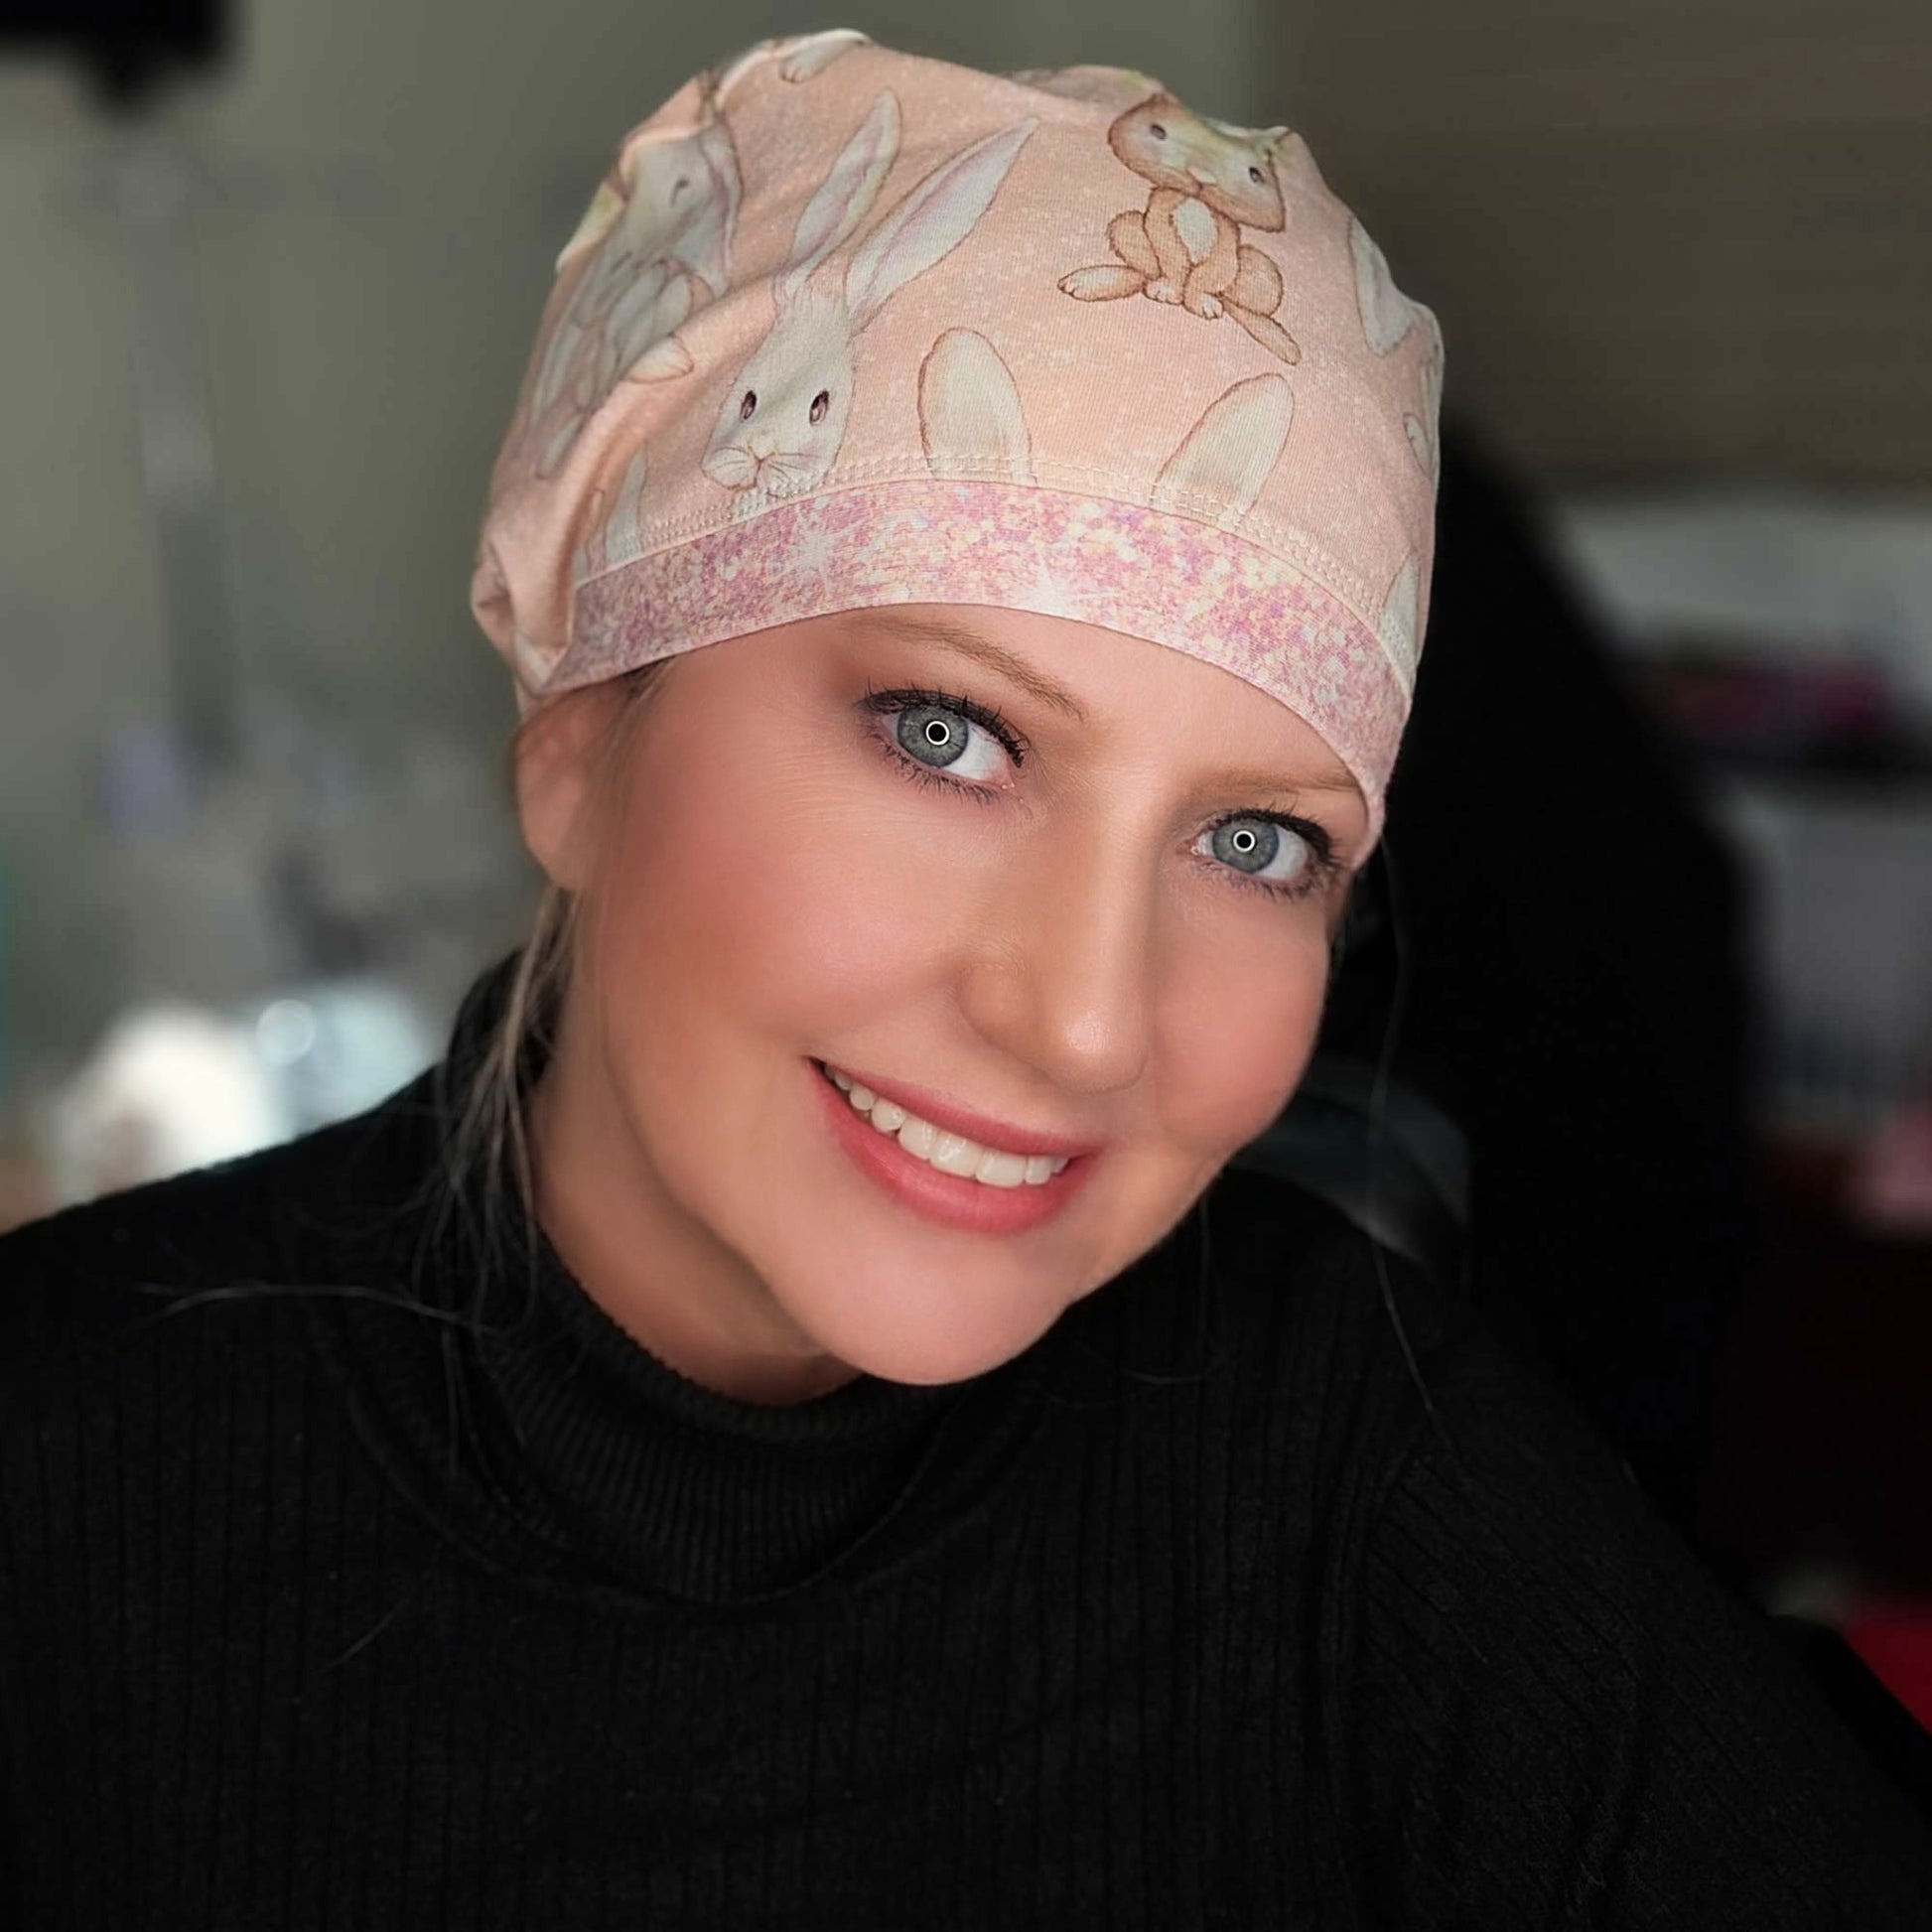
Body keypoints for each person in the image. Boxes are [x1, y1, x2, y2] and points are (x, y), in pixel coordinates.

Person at [3, 30, 1929, 1927]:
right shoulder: (67, 1473)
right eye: (947, 734)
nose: (1085, 1020)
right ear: (581, 733)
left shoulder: (1350, 1461)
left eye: (1253, 843)